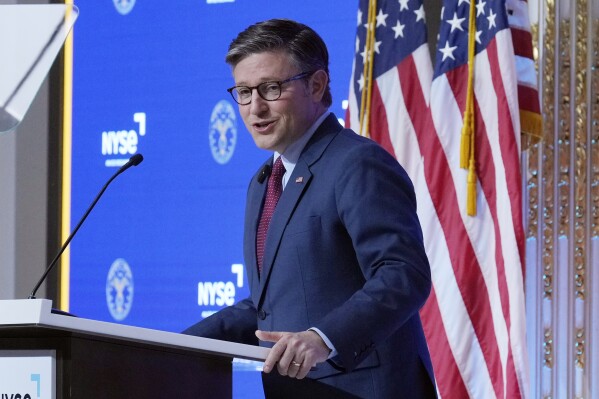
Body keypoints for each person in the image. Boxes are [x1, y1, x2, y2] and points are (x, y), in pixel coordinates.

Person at [184, 18, 436, 398]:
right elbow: (270, 305)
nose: (256, 108)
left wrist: (324, 338)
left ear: (316, 85)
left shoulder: (357, 163)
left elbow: (402, 274)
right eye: (244, 92)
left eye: (270, 88)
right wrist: (165, 344)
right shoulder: (264, 181)